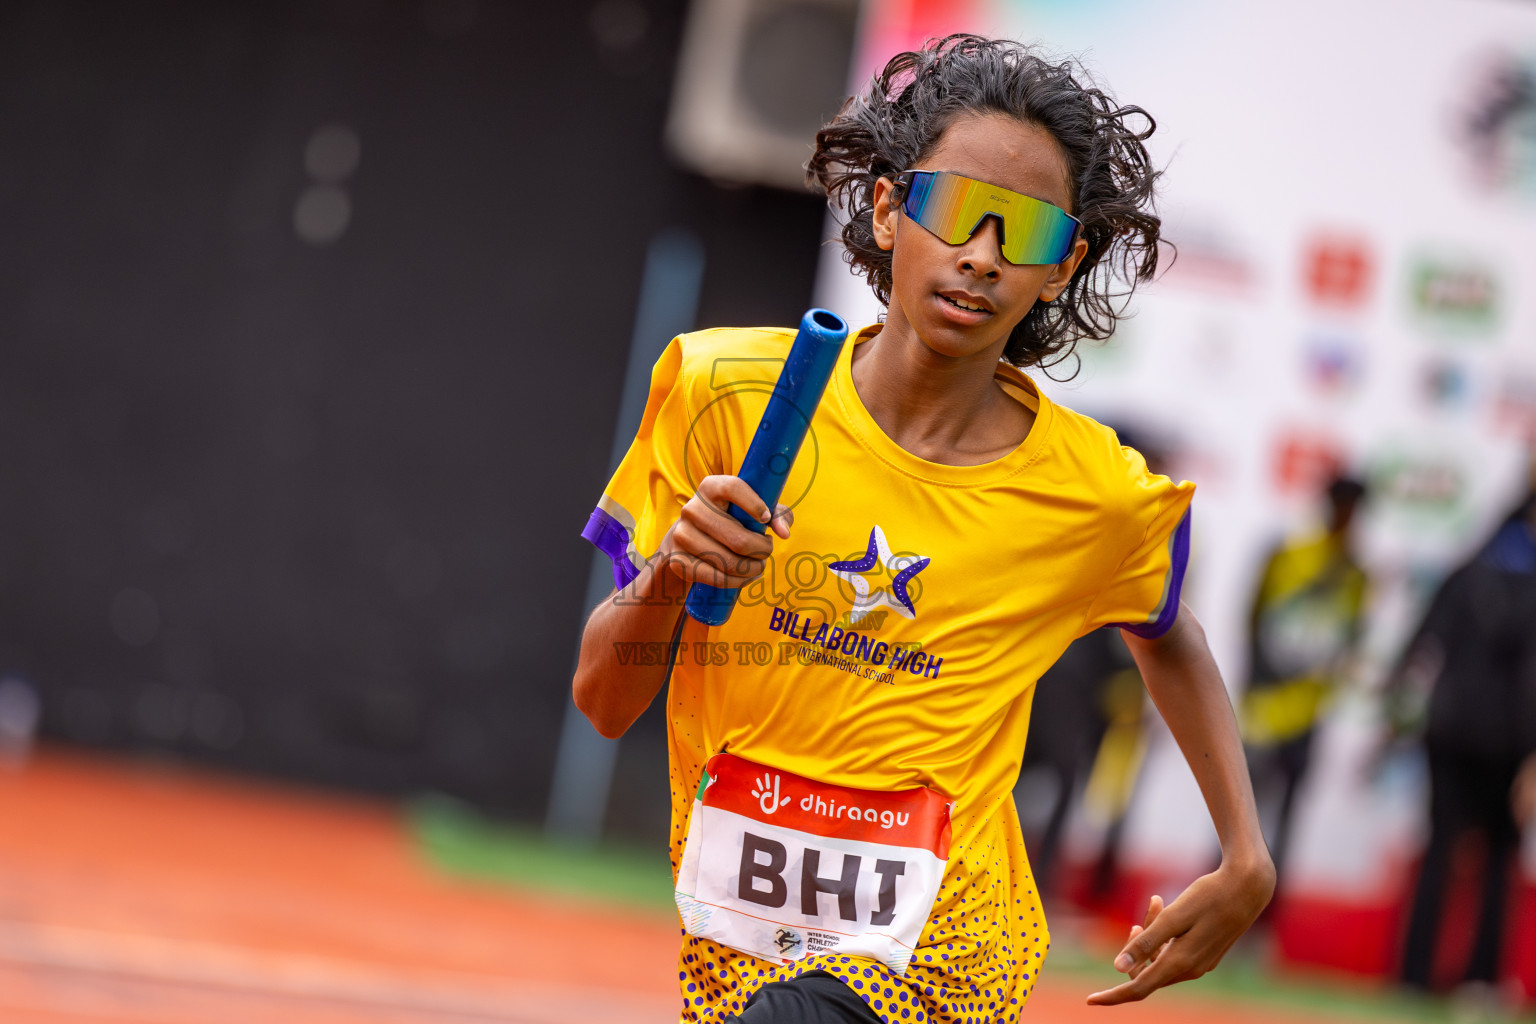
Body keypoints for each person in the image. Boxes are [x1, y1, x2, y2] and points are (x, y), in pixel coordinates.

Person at [572, 35, 1274, 1024]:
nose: (981, 255)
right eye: (953, 209)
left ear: (1062, 264)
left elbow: (1169, 633)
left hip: (945, 964)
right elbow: (604, 701)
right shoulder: (723, 394)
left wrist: (1246, 854)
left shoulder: (1094, 493)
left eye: (1024, 231)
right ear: (888, 208)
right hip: (740, 969)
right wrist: (672, 575)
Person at [1391, 491, 1536, 995]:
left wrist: (1396, 717)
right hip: (1509, 740)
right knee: (1498, 859)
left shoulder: (1468, 569)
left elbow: (1419, 645)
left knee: (1439, 849)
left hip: (1449, 729)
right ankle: (1480, 978)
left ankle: (1413, 975)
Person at [1241, 475, 1369, 889]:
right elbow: (1253, 618)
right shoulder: (1287, 554)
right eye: (1343, 508)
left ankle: (1268, 907)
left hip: (1309, 710)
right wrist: (1254, 684)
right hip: (1265, 705)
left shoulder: (1357, 574)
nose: (1347, 518)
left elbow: (1351, 638)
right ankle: (1218, 895)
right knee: (1241, 811)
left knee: (1287, 814)